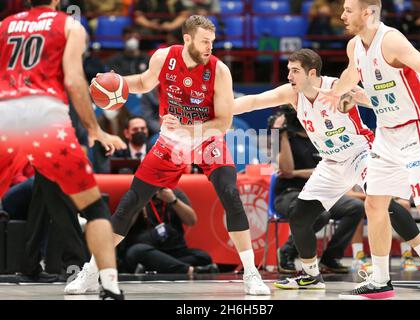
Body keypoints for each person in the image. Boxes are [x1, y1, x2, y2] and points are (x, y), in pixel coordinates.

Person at [64, 15, 271, 296]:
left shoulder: (219, 70)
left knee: (231, 196)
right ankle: (91, 273)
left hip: (205, 137)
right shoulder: (164, 57)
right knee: (130, 203)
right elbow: (143, 82)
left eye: (212, 41)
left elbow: (223, 123)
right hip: (171, 140)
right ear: (187, 39)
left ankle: (251, 274)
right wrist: (115, 83)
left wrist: (187, 128)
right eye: (204, 41)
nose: (211, 47)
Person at [233, 48, 420, 290]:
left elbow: (373, 102)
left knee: (384, 205)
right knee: (300, 216)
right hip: (331, 162)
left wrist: (353, 100)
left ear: (311, 73)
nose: (289, 76)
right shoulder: (292, 94)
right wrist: (219, 109)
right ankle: (312, 275)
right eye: (288, 71)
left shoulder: (338, 87)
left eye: (294, 71)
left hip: (361, 153)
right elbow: (253, 101)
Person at [317, 0, 420, 299]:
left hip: (415, 129)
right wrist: (340, 93)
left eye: (348, 10)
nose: (342, 15)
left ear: (368, 12)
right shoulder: (355, 46)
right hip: (386, 134)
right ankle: (380, 281)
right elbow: (353, 74)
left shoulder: (391, 40)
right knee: (374, 204)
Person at [0, 0, 126, 299]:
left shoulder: (4, 27)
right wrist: (94, 128)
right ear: (56, 0)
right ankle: (109, 286)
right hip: (45, 115)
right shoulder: (69, 25)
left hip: (6, 111)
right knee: (94, 208)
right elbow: (73, 80)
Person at [269, 107, 364, 275]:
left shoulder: (322, 136)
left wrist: (297, 173)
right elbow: (286, 169)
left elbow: (332, 167)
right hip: (290, 192)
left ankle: (330, 258)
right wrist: (281, 134)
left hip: (322, 191)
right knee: (319, 214)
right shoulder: (282, 138)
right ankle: (288, 251)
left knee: (355, 207)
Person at [121, 188, 218, 275]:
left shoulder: (175, 193)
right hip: (147, 250)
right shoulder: (135, 195)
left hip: (175, 250)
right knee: (136, 252)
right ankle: (190, 270)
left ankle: (155, 268)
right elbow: (122, 226)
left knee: (204, 257)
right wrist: (138, 205)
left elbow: (191, 221)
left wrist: (173, 201)